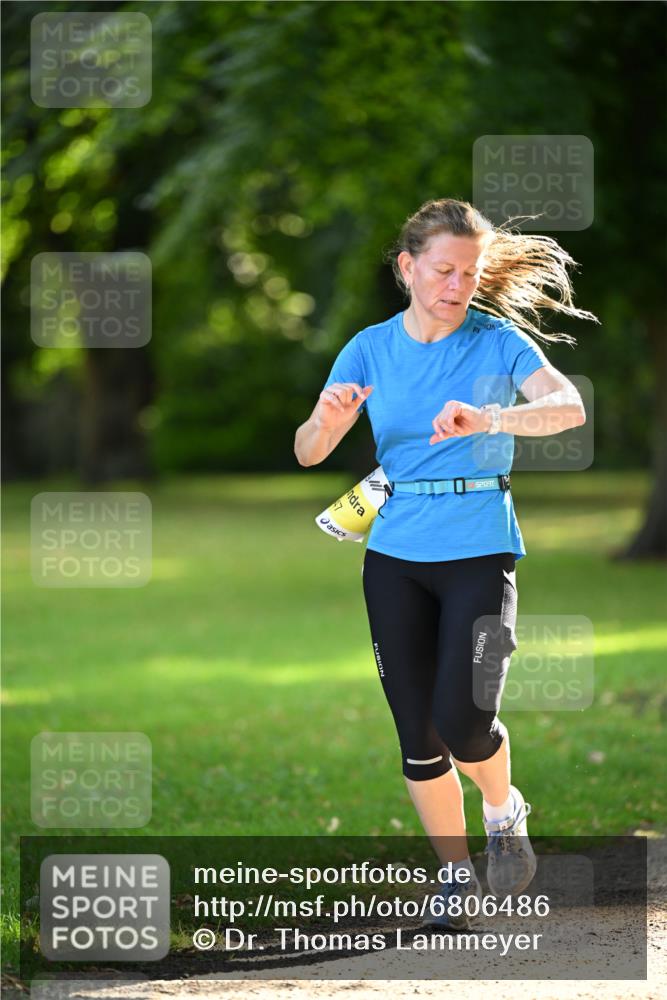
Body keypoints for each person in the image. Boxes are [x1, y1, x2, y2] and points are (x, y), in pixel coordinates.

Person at [294, 198, 597, 930]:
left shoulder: (498, 342)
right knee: (417, 736)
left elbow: (566, 409)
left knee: (463, 721)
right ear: (407, 267)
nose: (456, 284)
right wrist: (330, 422)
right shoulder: (368, 347)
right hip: (393, 554)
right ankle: (455, 878)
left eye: (468, 272)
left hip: (479, 548)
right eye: (441, 269)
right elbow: (307, 450)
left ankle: (503, 809)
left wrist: (489, 417)